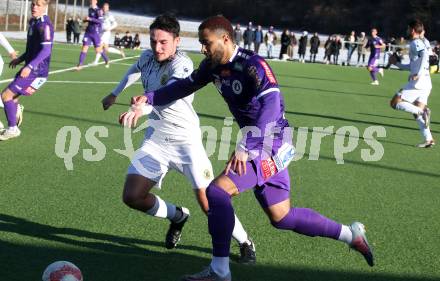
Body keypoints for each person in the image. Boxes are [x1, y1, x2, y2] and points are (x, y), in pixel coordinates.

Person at [133, 15, 374, 281]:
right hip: (264, 143)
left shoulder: (253, 65)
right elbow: (184, 86)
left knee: (217, 192)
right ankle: (351, 234)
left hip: (270, 142)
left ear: (225, 39)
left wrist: (248, 145)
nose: (203, 48)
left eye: (206, 43)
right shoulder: (212, 65)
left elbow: (271, 106)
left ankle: (219, 271)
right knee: (281, 216)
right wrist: (150, 98)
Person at [101, 14, 256, 264]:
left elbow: (171, 92)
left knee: (209, 204)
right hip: (156, 140)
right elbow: (135, 68)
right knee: (132, 196)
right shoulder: (147, 58)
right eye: (153, 41)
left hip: (186, 143)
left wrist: (144, 108)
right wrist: (114, 93)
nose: (157, 47)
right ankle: (177, 216)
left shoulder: (182, 63)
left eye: (163, 42)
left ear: (177, 41)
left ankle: (245, 241)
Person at [0, 0, 53, 140]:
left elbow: (46, 50)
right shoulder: (33, 22)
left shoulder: (44, 25)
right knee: (12, 98)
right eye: (33, 4)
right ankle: (16, 113)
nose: (34, 7)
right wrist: (20, 59)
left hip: (37, 71)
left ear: (45, 6)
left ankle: (13, 129)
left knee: (6, 95)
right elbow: (31, 50)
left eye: (39, 5)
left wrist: (29, 66)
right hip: (30, 68)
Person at [389, 20, 435, 148]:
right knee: (416, 111)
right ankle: (429, 139)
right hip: (426, 82)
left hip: (418, 82)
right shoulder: (423, 42)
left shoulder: (415, 43)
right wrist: (396, 63)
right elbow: (413, 65)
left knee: (395, 103)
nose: (407, 30)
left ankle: (423, 112)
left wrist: (418, 74)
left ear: (413, 30)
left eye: (408, 28)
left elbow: (425, 55)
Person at [76, 0, 109, 70]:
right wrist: (84, 20)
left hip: (95, 33)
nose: (91, 1)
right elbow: (89, 20)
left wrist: (90, 19)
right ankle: (80, 64)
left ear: (96, 1)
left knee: (98, 50)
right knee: (84, 47)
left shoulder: (99, 10)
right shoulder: (90, 9)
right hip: (88, 32)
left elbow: (100, 21)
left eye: (93, 0)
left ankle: (106, 59)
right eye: (91, 0)